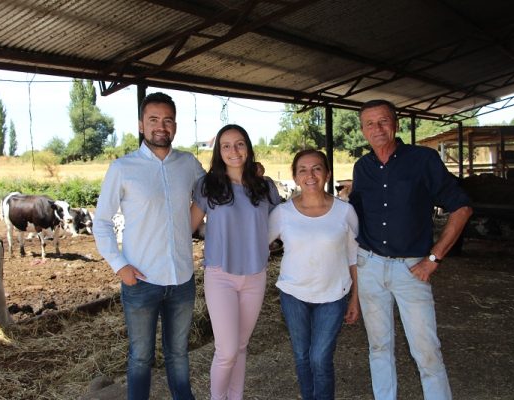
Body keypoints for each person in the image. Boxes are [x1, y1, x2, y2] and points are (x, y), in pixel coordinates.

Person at [349, 99, 472, 400]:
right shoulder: (361, 167)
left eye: (383, 121)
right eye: (369, 124)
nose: (377, 129)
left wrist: (434, 258)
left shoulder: (423, 160)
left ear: (397, 123)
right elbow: (352, 216)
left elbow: (462, 208)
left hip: (412, 269)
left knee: (426, 350)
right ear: (363, 130)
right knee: (378, 346)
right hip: (370, 266)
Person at [93, 92, 205, 400]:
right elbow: (101, 222)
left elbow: (211, 195)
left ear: (175, 126)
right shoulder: (122, 168)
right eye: (154, 120)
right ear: (142, 125)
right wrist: (120, 266)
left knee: (179, 354)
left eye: (167, 120)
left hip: (182, 279)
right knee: (141, 357)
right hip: (141, 280)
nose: (161, 126)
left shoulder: (189, 164)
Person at [190, 124, 280, 400]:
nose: (234, 151)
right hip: (221, 274)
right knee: (226, 350)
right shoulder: (208, 186)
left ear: (249, 148)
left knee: (241, 346)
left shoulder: (265, 187)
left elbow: (281, 224)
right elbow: (187, 228)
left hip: (255, 274)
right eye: (226, 145)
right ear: (219, 151)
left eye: (239, 144)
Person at [268, 149, 360, 400]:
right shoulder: (282, 213)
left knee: (320, 357)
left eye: (317, 168)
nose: (310, 175)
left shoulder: (345, 212)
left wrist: (355, 299)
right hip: (293, 294)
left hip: (333, 295)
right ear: (295, 177)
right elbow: (258, 248)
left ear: (327, 173)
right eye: (303, 170)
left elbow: (354, 257)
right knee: (301, 356)